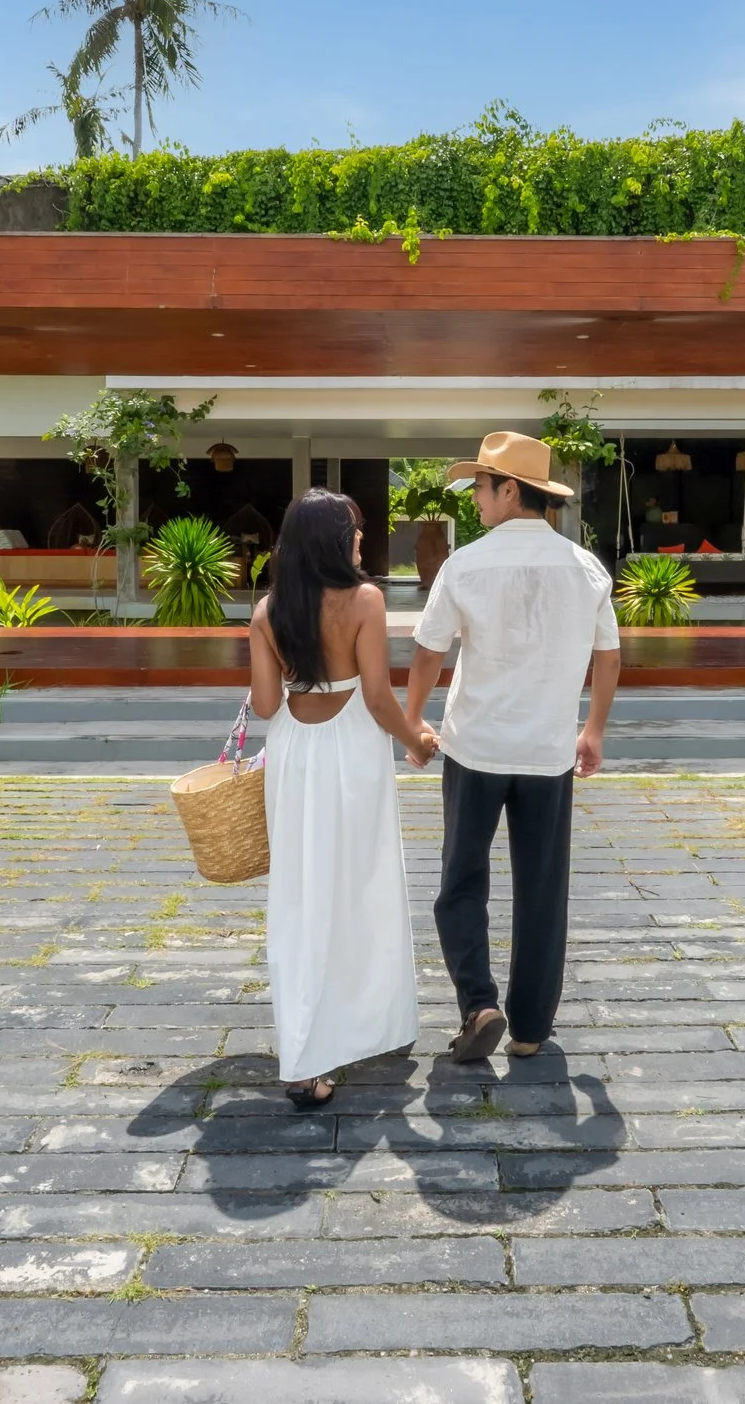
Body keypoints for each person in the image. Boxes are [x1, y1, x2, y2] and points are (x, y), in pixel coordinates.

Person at [403, 431, 621, 1063]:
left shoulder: (466, 564)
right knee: (543, 889)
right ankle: (528, 1030)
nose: (474, 497)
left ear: (509, 490)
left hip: (474, 749)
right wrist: (594, 731)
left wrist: (414, 722)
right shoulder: (586, 569)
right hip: (548, 752)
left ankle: (479, 1004)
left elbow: (427, 652)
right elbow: (607, 659)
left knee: (462, 883)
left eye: (479, 485)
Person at [248, 489, 436, 1108]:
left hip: (295, 758)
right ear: (335, 539)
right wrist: (418, 741)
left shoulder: (267, 611)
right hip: (353, 750)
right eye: (355, 529)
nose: (361, 539)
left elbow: (268, 706)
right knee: (365, 883)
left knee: (301, 895)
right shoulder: (365, 600)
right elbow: (379, 697)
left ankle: (310, 1047)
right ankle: (357, 1029)